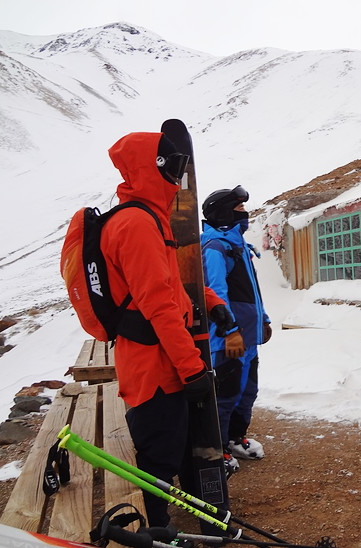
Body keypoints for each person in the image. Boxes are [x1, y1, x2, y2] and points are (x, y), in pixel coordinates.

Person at [102, 131, 226, 526]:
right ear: (149, 169)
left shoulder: (150, 218)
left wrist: (212, 304)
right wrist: (192, 368)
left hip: (160, 361)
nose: (177, 176)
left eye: (180, 166)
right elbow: (158, 305)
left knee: (173, 451)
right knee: (157, 461)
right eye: (171, 166)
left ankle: (173, 522)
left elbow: (173, 286)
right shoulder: (137, 224)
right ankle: (155, 531)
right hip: (154, 369)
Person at [201, 185, 272, 473]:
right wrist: (229, 331)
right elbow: (215, 292)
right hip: (229, 339)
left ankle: (234, 438)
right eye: (240, 209)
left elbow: (252, 291)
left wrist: (263, 319)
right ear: (223, 213)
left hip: (248, 338)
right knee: (226, 395)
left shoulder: (238, 246)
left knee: (247, 392)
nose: (246, 213)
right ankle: (216, 449)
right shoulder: (216, 248)